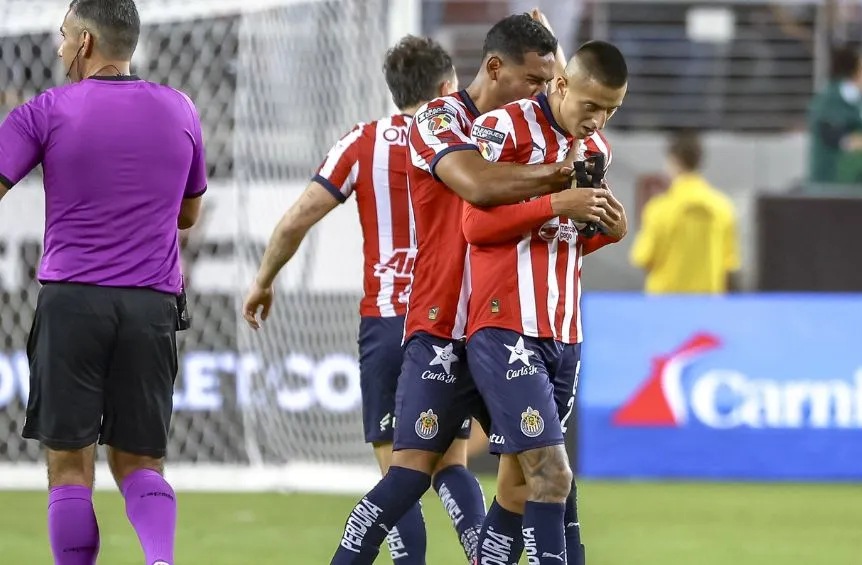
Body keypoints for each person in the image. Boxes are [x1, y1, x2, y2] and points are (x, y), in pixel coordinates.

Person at [328, 13, 605, 565]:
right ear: (495, 67)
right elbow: (477, 185)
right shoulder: (439, 118)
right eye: (532, 81)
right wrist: (560, 177)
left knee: (533, 479)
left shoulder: (531, 128)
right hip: (443, 321)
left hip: (506, 324)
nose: (539, 94)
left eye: (548, 83)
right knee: (410, 477)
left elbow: (579, 111)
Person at [241, 36, 486, 565]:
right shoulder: (465, 136)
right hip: (446, 318)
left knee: (397, 474)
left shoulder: (362, 142)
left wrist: (264, 279)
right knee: (450, 467)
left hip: (385, 319)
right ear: (447, 88)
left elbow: (297, 218)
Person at [0, 1, 206, 564]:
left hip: (73, 303)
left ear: (86, 42)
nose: (60, 47)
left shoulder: (46, 110)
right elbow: (187, 214)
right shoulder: (182, 110)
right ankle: (161, 561)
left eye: (64, 36)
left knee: (69, 467)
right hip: (152, 307)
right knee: (141, 463)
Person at [463, 40, 629, 565]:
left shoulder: (597, 150)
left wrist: (608, 230)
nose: (598, 120)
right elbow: (474, 224)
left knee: (517, 486)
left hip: (564, 332)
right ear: (561, 84)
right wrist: (554, 200)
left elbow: (572, 236)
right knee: (553, 476)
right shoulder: (503, 128)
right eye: (591, 106)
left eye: (611, 110)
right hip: (505, 327)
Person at [630, 131, 740, 294]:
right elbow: (729, 262)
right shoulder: (723, 207)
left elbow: (642, 257)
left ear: (672, 160)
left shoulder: (659, 208)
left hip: (665, 303)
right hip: (707, 304)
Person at [806, 44, 862, 195]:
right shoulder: (832, 96)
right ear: (856, 71)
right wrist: (849, 141)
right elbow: (829, 131)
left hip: (854, 188)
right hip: (831, 188)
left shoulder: (859, 101)